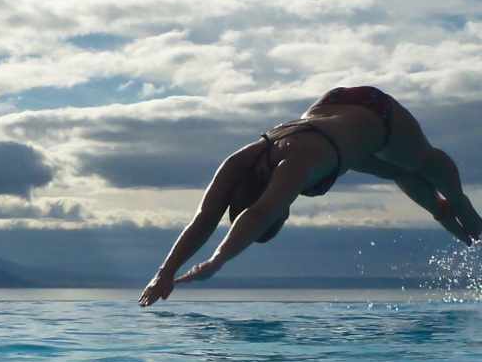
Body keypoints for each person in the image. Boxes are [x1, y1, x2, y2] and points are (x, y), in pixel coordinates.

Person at [138, 85, 482, 307]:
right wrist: (164, 271)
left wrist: (216, 261)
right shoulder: (244, 160)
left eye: (282, 212)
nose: (285, 208)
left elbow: (257, 216)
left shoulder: (295, 166)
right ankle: (441, 211)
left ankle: (462, 209)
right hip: (332, 110)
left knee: (419, 160)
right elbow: (204, 218)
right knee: (395, 170)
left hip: (378, 115)